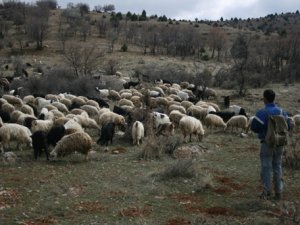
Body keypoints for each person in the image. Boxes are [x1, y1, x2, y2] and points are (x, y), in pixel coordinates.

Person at [251, 89, 291, 200]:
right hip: (280, 142)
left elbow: (254, 127)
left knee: (266, 167)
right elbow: (289, 125)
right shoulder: (282, 111)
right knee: (277, 166)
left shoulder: (262, 112)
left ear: (265, 98)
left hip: (267, 143)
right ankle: (279, 192)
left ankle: (267, 192)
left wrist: (264, 132)